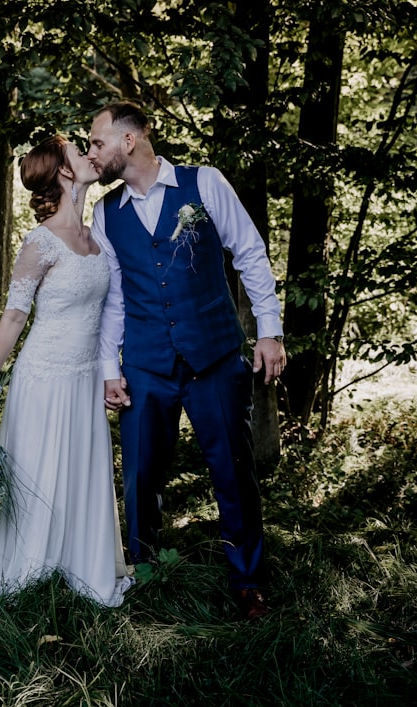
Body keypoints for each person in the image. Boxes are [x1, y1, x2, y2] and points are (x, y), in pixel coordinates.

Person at [86, 101, 285, 620]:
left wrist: (270, 332)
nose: (93, 153)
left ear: (128, 141)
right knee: (140, 477)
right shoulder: (105, 213)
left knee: (233, 472)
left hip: (216, 358)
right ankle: (144, 571)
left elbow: (250, 253)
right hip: (147, 365)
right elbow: (115, 300)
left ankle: (248, 581)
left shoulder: (206, 183)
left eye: (97, 142)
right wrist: (110, 369)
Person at [0, 135, 134, 607]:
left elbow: (109, 312)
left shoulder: (98, 236)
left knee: (81, 470)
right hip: (43, 376)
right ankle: (31, 569)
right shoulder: (40, 242)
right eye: (80, 152)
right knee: (37, 472)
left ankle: (80, 564)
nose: (91, 155)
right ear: (65, 172)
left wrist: (106, 372)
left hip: (82, 379)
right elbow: (14, 317)